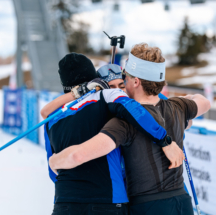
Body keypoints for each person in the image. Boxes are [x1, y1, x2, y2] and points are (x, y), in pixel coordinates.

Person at [49, 44, 211, 215]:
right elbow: (203, 102)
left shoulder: (122, 122)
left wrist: (55, 161)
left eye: (125, 76)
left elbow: (79, 155)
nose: (123, 81)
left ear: (136, 81)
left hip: (147, 207)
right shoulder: (178, 108)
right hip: (182, 203)